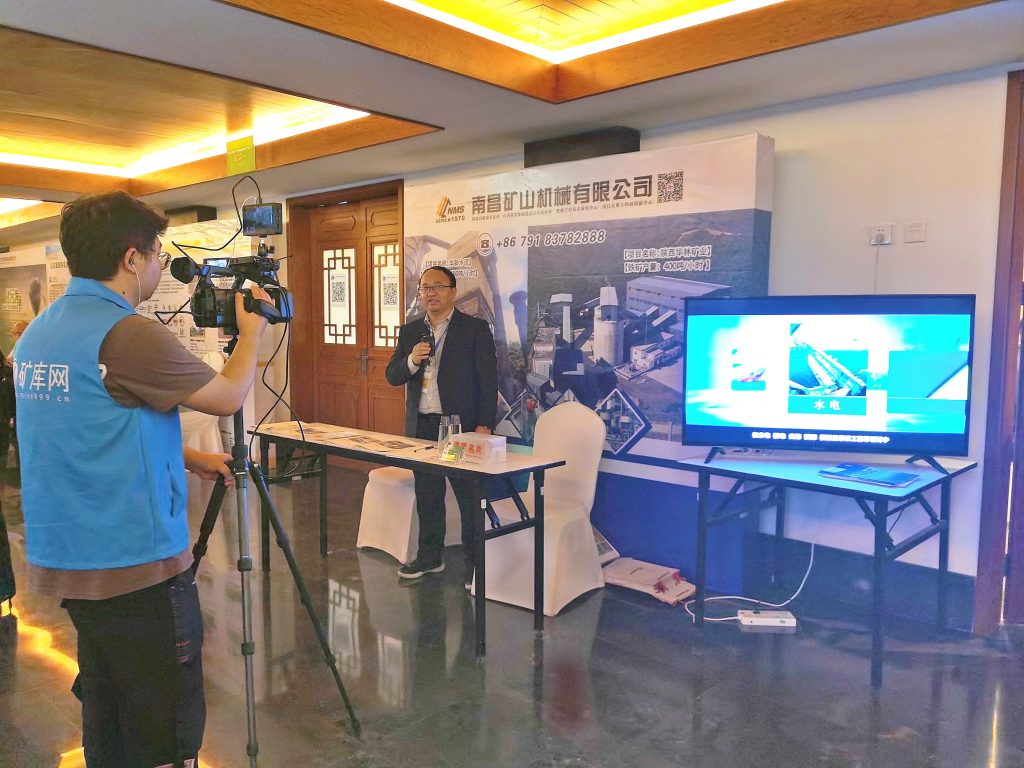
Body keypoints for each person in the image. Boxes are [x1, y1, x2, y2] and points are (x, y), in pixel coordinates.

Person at [15, 190, 271, 768]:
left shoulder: (42, 332)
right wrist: (253, 332)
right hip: (136, 562)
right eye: (156, 254)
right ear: (132, 259)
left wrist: (186, 455)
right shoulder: (127, 333)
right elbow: (228, 395)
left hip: (74, 559)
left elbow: (89, 424)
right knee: (162, 727)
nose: (159, 265)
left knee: (109, 706)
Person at [385, 266, 497, 587]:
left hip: (457, 428)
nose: (430, 293)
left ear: (453, 291)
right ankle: (430, 557)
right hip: (423, 426)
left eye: (438, 287)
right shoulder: (410, 332)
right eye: (425, 288)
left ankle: (475, 566)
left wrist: (484, 425)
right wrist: (412, 359)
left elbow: (488, 381)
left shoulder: (473, 329)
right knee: (428, 495)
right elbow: (393, 376)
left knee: (468, 497)